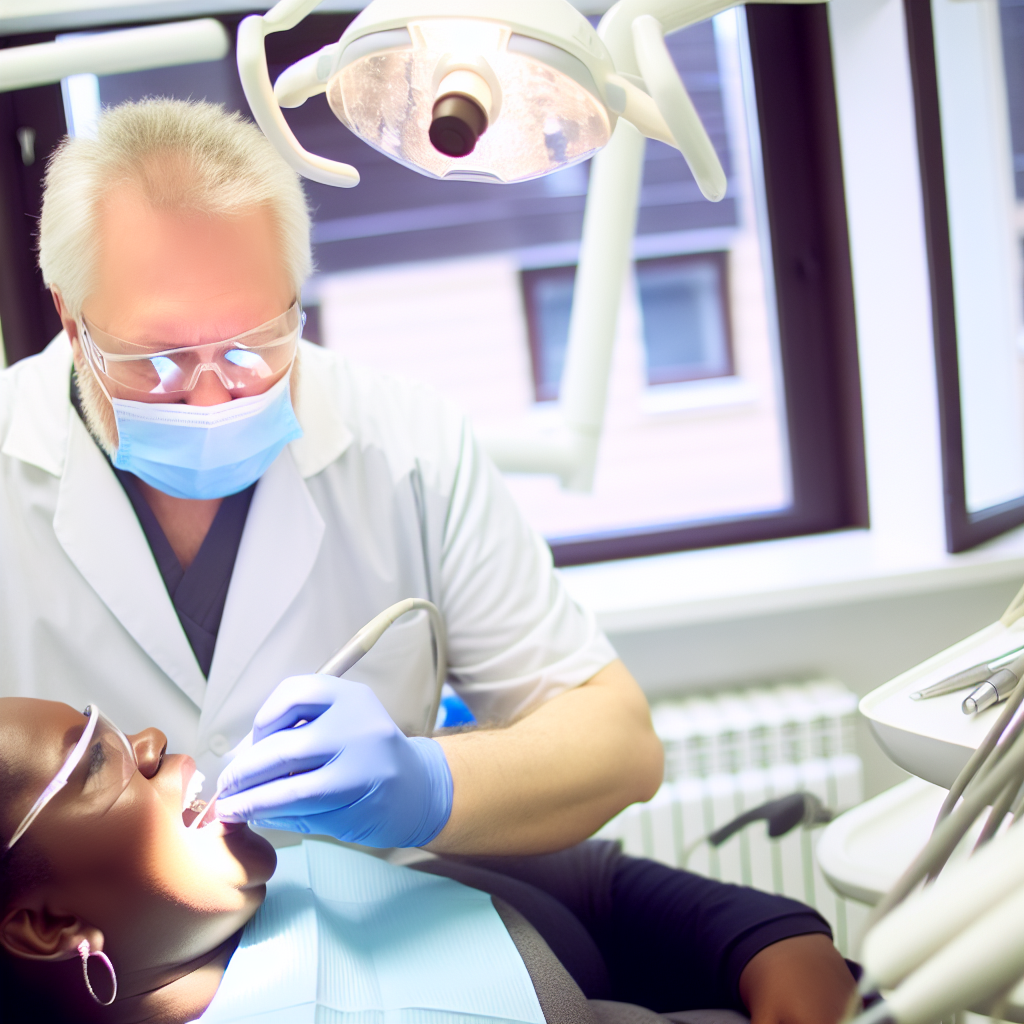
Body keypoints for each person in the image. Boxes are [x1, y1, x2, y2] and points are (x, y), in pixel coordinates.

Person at [0, 95, 661, 856]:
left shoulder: (410, 442)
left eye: (253, 346)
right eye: (159, 361)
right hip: (98, 969)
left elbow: (620, 744)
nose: (214, 397)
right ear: (70, 319)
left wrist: (432, 787)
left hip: (378, 941)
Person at [0, 698, 859, 1024]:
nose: (147, 740)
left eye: (114, 725)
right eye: (94, 763)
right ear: (48, 925)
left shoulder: (305, 875)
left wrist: (778, 948)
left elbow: (596, 887)